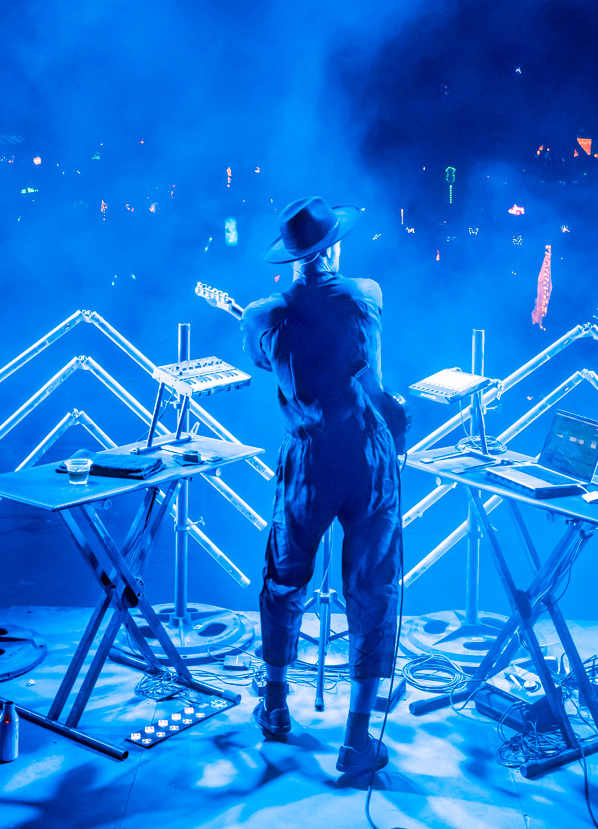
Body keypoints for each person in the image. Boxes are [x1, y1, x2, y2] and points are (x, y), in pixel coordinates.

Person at [241, 196, 405, 786]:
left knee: (284, 577)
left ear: (290, 257)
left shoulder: (263, 314)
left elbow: (267, 363)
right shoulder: (368, 294)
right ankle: (357, 741)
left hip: (308, 458)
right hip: (366, 451)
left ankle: (278, 706)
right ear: (333, 247)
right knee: (373, 584)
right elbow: (373, 379)